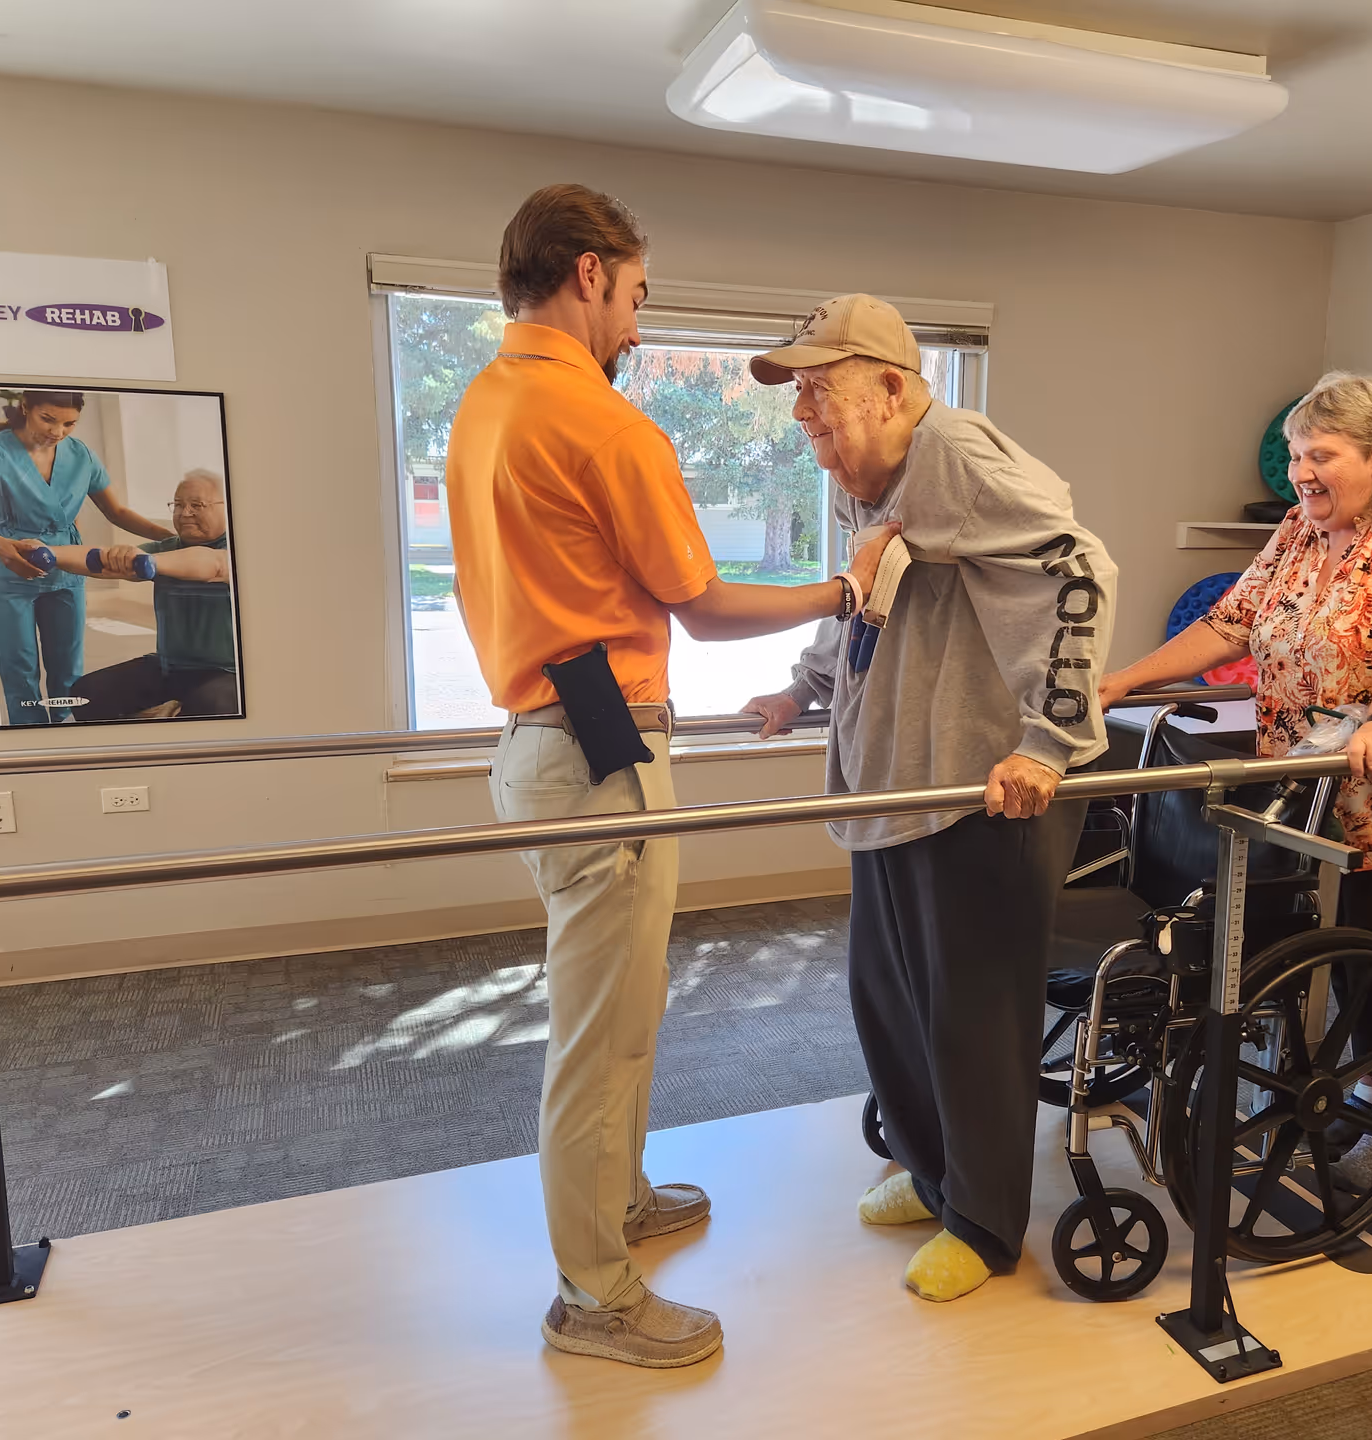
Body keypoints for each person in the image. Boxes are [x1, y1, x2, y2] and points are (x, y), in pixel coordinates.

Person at [444, 184, 896, 1369]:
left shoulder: (484, 400)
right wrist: (844, 590)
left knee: (623, 1010)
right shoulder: (598, 421)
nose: (640, 326)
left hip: (543, 746)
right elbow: (700, 604)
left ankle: (621, 1199)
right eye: (638, 295)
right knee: (600, 1035)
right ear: (588, 273)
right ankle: (592, 1292)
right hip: (596, 753)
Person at [741, 295, 1115, 1304]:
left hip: (980, 795)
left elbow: (1083, 571)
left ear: (894, 389)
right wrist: (803, 687)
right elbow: (869, 594)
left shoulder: (956, 455)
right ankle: (931, 1170)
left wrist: (1051, 741)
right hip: (895, 783)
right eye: (797, 392)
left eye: (820, 388)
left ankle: (990, 1227)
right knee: (890, 999)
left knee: (973, 1017)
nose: (803, 411)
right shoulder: (869, 476)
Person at [1098, 371, 1372, 1191]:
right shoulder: (1301, 525)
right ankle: (1323, 1078)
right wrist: (1123, 683)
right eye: (1295, 455)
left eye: (1320, 454)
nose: (1301, 472)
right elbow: (1231, 622)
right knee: (1293, 936)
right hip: (1314, 776)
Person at [0, 391, 173, 725]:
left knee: (67, 663)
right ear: (25, 408)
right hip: (12, 566)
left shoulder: (81, 456)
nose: (58, 431)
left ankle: (67, 729)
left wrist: (173, 540)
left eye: (69, 423)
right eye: (48, 419)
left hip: (67, 566)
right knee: (19, 664)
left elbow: (118, 511)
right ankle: (30, 734)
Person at [45, 471, 239, 720]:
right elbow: (99, 561)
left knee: (209, 704)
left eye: (197, 505)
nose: (185, 512)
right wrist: (50, 553)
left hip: (228, 672)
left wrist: (147, 561)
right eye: (178, 505)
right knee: (87, 693)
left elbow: (211, 564)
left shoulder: (236, 549)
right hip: (170, 666)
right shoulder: (167, 547)